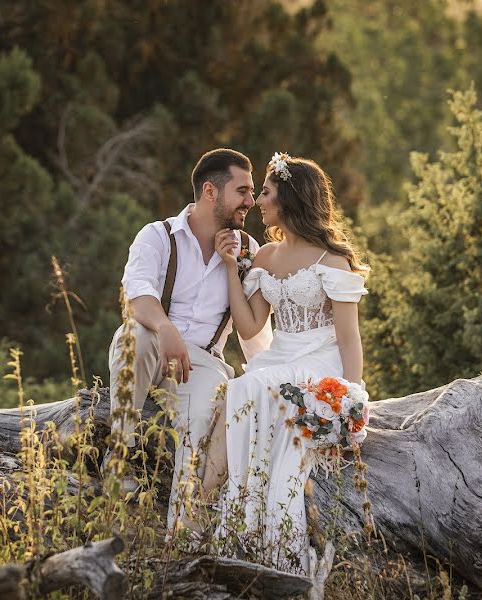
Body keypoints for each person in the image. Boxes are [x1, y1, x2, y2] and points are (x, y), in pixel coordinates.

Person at [202, 152, 369, 573]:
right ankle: (220, 512)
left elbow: (349, 337)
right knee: (241, 389)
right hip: (279, 355)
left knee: (251, 388)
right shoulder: (266, 257)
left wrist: (352, 396)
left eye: (266, 192)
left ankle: (242, 523)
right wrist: (228, 267)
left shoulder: (332, 260)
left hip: (319, 358)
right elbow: (251, 323)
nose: (258, 200)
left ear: (289, 199)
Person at [106, 148, 268, 532]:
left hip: (204, 364)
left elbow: (253, 332)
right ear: (211, 191)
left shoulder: (248, 252)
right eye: (242, 192)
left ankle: (183, 534)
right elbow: (136, 293)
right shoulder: (158, 235)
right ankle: (121, 454)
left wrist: (265, 379)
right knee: (135, 335)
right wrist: (167, 330)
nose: (250, 201)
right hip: (152, 343)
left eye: (252, 192)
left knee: (203, 420)